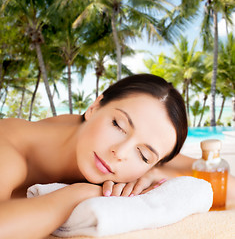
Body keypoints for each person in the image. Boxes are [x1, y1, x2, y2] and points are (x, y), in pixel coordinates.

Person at [0, 74, 233, 239]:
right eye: (118, 125)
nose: (120, 152)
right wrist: (80, 193)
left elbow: (228, 187)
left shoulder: (142, 165)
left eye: (142, 155)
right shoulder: (10, 147)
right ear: (94, 107)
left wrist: (154, 172)